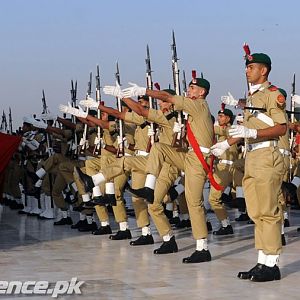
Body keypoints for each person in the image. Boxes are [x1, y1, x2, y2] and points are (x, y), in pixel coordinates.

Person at [119, 77, 215, 263]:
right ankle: (150, 190)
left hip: (198, 158)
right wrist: (123, 96)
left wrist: (144, 90)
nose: (189, 90)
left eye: (193, 88)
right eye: (189, 87)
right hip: (187, 155)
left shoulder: (199, 105)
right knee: (159, 148)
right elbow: (144, 111)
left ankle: (202, 248)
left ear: (201, 92)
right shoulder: (187, 111)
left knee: (194, 202)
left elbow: (167, 97)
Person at [214, 52, 287, 282]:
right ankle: (261, 260)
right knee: (255, 212)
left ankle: (272, 264)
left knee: (268, 211)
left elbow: (281, 128)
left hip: (267, 155)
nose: (247, 71)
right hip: (252, 157)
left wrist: (252, 132)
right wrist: (225, 143)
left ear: (263, 70)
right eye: (246, 67)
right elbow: (245, 129)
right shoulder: (252, 97)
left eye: (251, 67)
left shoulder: (272, 95)